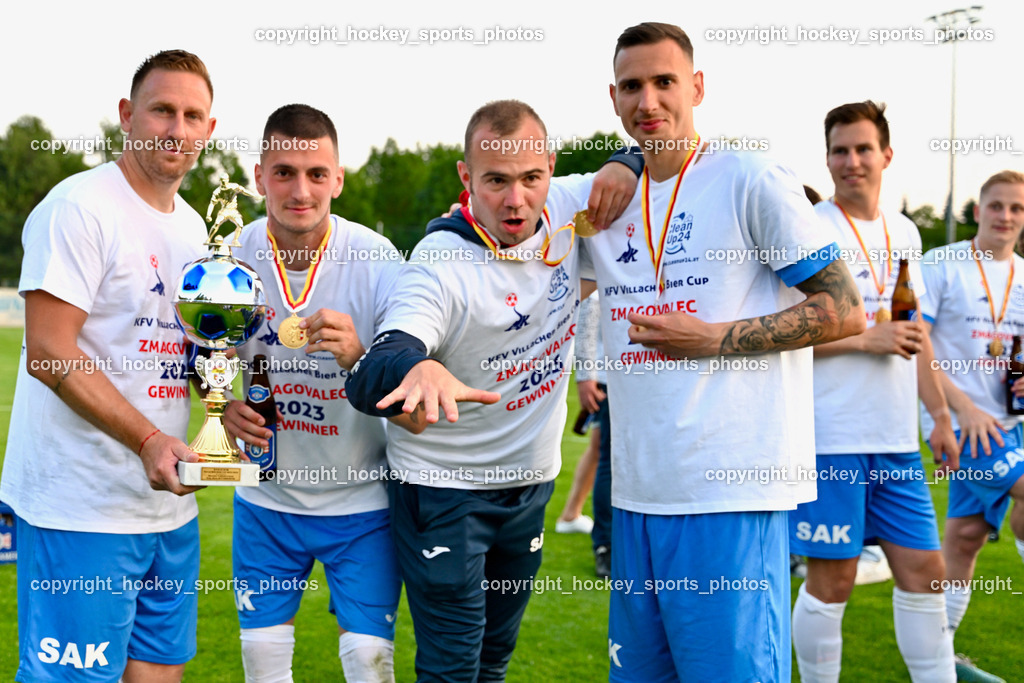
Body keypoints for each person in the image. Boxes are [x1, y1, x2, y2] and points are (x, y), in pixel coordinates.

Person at [577, 22, 866, 682]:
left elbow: (844, 308)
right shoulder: (606, 203)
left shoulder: (750, 178)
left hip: (729, 494)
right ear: (614, 100)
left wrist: (712, 339)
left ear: (697, 87)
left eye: (664, 82)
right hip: (638, 496)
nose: (647, 100)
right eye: (631, 86)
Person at [345, 99, 639, 682]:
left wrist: (627, 161)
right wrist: (414, 367)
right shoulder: (438, 263)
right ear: (466, 178)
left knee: (493, 662)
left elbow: (663, 155)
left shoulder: (567, 204)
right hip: (443, 492)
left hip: (529, 484)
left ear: (550, 168)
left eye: (531, 178)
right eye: (496, 181)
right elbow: (379, 365)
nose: (516, 199)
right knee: (453, 667)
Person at [0, 50, 216, 682]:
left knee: (157, 674)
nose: (176, 128)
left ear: (208, 128)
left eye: (192, 115)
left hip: (168, 507)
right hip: (81, 507)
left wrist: (224, 402)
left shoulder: (197, 230)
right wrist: (148, 439)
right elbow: (48, 351)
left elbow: (186, 353)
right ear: (127, 116)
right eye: (162, 110)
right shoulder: (80, 207)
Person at [222, 104, 408, 683]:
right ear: (258, 177)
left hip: (363, 501)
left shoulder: (378, 260)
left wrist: (360, 356)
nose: (300, 190)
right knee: (262, 665)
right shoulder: (228, 255)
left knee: (371, 666)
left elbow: (411, 389)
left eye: (316, 173)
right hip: (266, 501)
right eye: (283, 172)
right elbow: (194, 351)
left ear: (339, 178)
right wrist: (222, 406)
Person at [789, 100, 959, 683]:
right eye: (840, 150)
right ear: (828, 159)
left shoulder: (906, 231)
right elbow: (781, 338)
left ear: (887, 155)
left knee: (926, 571)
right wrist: (867, 339)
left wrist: (938, 414)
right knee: (831, 581)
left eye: (863, 149)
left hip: (897, 441)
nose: (851, 161)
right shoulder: (811, 230)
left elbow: (917, 336)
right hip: (831, 439)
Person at [920, 170, 1024, 683]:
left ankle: (937, 658)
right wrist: (958, 409)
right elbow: (915, 342)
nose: (1006, 217)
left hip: (1009, 424)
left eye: (1017, 209)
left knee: (965, 538)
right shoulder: (942, 265)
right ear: (978, 211)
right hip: (957, 422)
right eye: (997, 206)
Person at [554, 292, 614, 579]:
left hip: (616, 373)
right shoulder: (605, 254)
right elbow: (588, 314)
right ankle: (605, 544)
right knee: (607, 459)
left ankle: (571, 514)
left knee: (598, 452)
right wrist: (586, 374)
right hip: (608, 375)